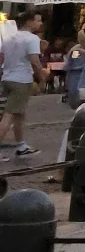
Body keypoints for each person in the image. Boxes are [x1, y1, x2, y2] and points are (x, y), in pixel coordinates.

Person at [1, 14, 47, 157]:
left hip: (7, 77)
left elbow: (1, 58)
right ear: (29, 21)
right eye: (38, 20)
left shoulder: (8, 38)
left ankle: (21, 146)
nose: (40, 23)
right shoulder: (32, 39)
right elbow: (35, 61)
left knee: (19, 114)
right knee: (9, 115)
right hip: (21, 80)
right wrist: (42, 78)